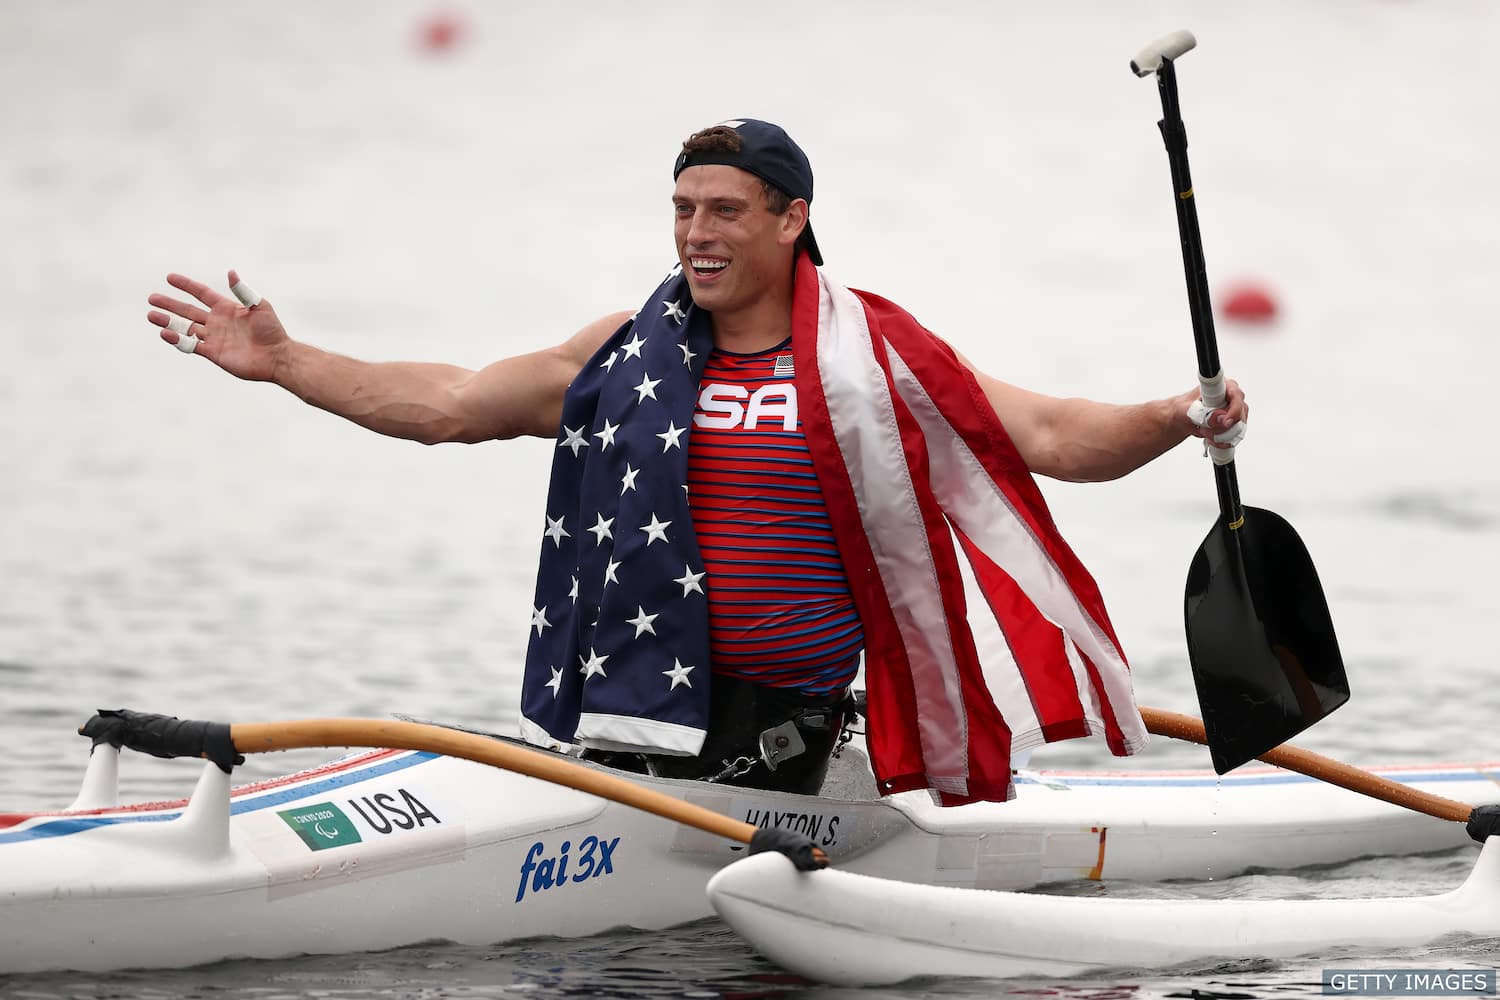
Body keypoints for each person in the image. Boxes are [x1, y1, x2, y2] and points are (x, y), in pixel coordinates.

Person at [146, 119, 1246, 804]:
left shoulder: (878, 359)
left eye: (723, 209)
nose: (694, 232)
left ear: (791, 219)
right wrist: (290, 363)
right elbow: (448, 405)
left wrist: (1172, 415)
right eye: (681, 209)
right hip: (629, 705)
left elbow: (1050, 437)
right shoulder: (625, 353)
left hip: (783, 726)